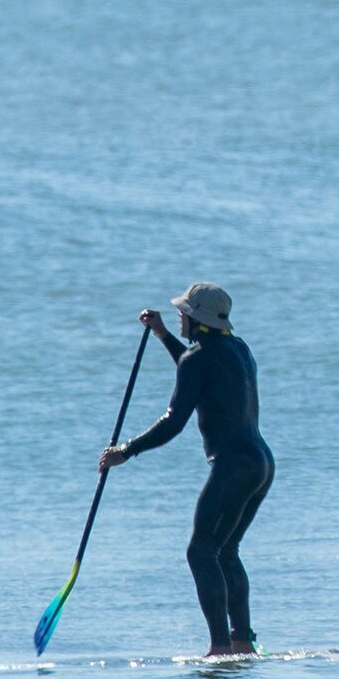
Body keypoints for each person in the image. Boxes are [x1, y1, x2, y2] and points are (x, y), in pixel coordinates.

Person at [103, 282, 275, 657]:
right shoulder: (239, 349)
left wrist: (126, 451)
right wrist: (164, 336)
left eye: (182, 312)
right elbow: (199, 369)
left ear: (196, 318)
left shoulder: (198, 359)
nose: (179, 315)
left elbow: (173, 422)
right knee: (225, 550)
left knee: (201, 553)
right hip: (261, 463)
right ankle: (242, 641)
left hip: (233, 466)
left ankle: (220, 648)